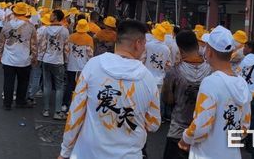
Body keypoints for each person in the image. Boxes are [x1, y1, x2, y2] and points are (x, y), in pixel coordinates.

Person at [58, 19, 161, 159]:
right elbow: (153, 124)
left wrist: (65, 151)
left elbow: (76, 112)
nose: (144, 48)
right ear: (138, 44)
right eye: (144, 43)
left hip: (88, 152)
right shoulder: (148, 79)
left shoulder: (93, 66)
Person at [178, 25, 252, 158]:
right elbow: (245, 125)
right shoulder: (242, 83)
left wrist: (185, 139)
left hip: (208, 153)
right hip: (232, 154)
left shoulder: (210, 82)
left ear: (210, 52)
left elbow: (201, 125)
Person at [161, 29, 211, 159]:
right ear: (197, 46)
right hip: (203, 132)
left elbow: (168, 100)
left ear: (180, 49)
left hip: (178, 131)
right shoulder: (211, 70)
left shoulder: (174, 72)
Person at [0, 2, 37, 110]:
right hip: (24, 59)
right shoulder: (30, 27)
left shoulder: (7, 25)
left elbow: (1, 41)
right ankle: (20, 101)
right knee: (23, 81)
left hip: (8, 59)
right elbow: (33, 45)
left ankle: (7, 103)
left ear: (14, 12)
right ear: (25, 13)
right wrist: (34, 57)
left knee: (8, 81)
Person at [40, 9, 69, 120]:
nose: (50, 16)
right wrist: (66, 61)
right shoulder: (65, 31)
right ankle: (57, 112)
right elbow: (66, 49)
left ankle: (46, 110)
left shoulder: (46, 30)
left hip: (47, 59)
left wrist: (40, 58)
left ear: (56, 17)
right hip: (58, 61)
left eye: (52, 15)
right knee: (59, 87)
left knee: (47, 85)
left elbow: (43, 46)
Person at [62, 19, 94, 113]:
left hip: (71, 65)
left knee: (69, 84)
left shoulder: (71, 37)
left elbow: (66, 51)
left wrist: (67, 61)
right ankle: (75, 106)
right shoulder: (89, 39)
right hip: (83, 67)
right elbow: (90, 54)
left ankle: (64, 104)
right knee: (80, 87)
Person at [27, 12, 51, 105]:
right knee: (44, 77)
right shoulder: (52, 30)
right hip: (48, 56)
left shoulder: (41, 30)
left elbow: (34, 43)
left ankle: (31, 95)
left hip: (39, 55)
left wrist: (32, 53)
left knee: (35, 75)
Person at [144, 24, 172, 89]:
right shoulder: (166, 49)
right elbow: (168, 65)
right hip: (159, 79)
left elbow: (142, 59)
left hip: (146, 77)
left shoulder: (148, 45)